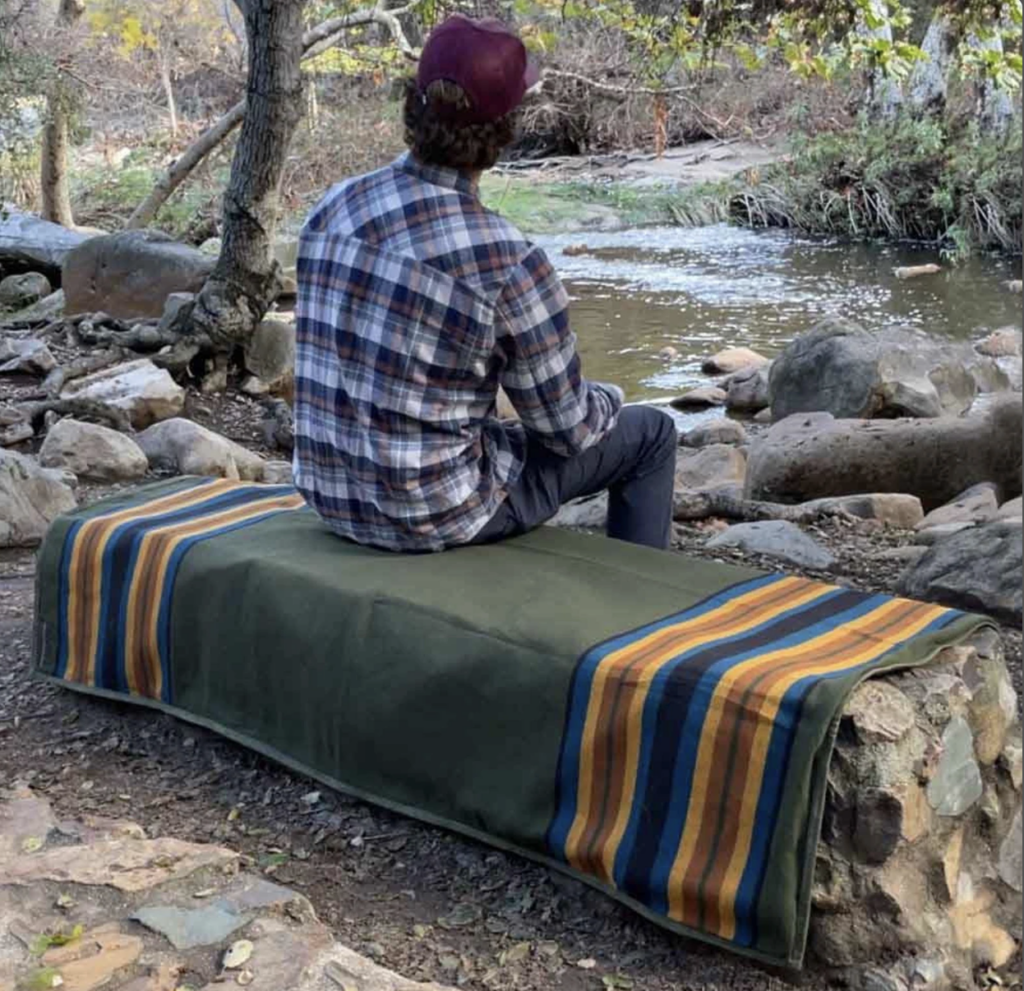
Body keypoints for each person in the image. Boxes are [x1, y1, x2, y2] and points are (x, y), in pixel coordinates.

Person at [294, 14, 677, 554]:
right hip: (433, 515)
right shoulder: (509, 260)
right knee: (652, 434)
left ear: (413, 101)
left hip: (329, 494)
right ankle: (646, 610)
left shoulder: (333, 206)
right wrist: (612, 398)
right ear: (506, 129)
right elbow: (567, 431)